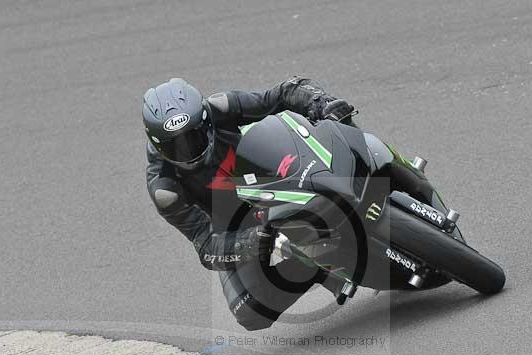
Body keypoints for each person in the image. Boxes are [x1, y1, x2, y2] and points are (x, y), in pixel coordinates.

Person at [142, 77, 435, 330]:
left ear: (204, 120)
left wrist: (322, 103)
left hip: (277, 172)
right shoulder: (166, 190)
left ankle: (396, 169)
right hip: (243, 221)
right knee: (248, 313)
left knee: (343, 125)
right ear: (156, 145)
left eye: (192, 138)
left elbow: (283, 93)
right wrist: (250, 242)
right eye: (173, 146)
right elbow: (206, 247)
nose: (187, 152)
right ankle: (321, 266)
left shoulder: (221, 108)